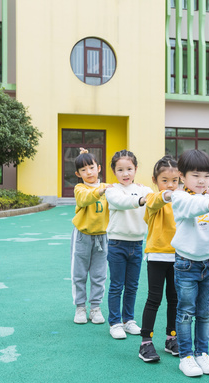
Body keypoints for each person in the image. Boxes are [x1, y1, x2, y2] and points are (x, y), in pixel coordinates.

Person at [165, 149, 209, 377]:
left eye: (207, 176)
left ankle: (202, 353)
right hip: (186, 264)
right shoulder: (178, 196)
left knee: (205, 312)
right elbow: (194, 206)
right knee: (186, 312)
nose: (202, 180)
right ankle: (186, 356)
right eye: (196, 175)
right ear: (182, 176)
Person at [103, 150, 153, 340]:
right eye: (120, 170)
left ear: (136, 169)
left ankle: (128, 320)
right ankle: (115, 323)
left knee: (132, 285)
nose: (126, 173)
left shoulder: (144, 189)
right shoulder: (112, 190)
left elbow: (156, 199)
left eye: (129, 169)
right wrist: (140, 200)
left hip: (137, 244)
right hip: (117, 244)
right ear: (114, 172)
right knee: (117, 285)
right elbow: (122, 202)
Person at [138, 156, 181, 363]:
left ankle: (171, 338)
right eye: (165, 180)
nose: (171, 185)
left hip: (179, 256)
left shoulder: (182, 199)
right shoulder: (153, 199)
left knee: (174, 299)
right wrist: (166, 194)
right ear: (155, 180)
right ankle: (146, 342)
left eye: (175, 180)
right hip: (156, 255)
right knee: (154, 298)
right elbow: (154, 201)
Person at [70, 148, 112, 325]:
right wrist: (101, 191)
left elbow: (124, 196)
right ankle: (80, 307)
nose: (88, 172)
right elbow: (85, 199)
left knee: (99, 274)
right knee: (79, 274)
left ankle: (95, 307)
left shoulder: (109, 188)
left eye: (91, 167)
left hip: (102, 238)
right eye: (83, 170)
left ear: (99, 168)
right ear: (78, 174)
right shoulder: (80, 188)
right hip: (82, 236)